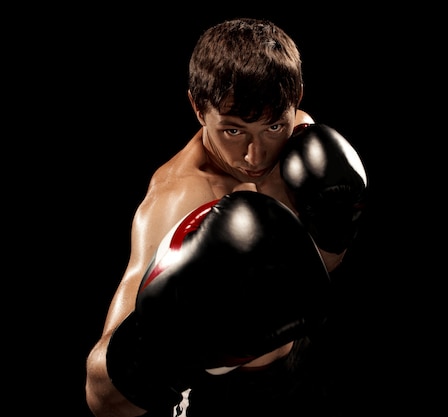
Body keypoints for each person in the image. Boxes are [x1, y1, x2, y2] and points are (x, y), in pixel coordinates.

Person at [85, 18, 367, 417]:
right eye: (233, 131)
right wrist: (170, 336)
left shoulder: (302, 142)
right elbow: (100, 396)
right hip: (227, 398)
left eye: (272, 126)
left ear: (297, 100)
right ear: (199, 109)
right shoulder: (178, 198)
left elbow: (319, 267)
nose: (256, 156)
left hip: (305, 365)